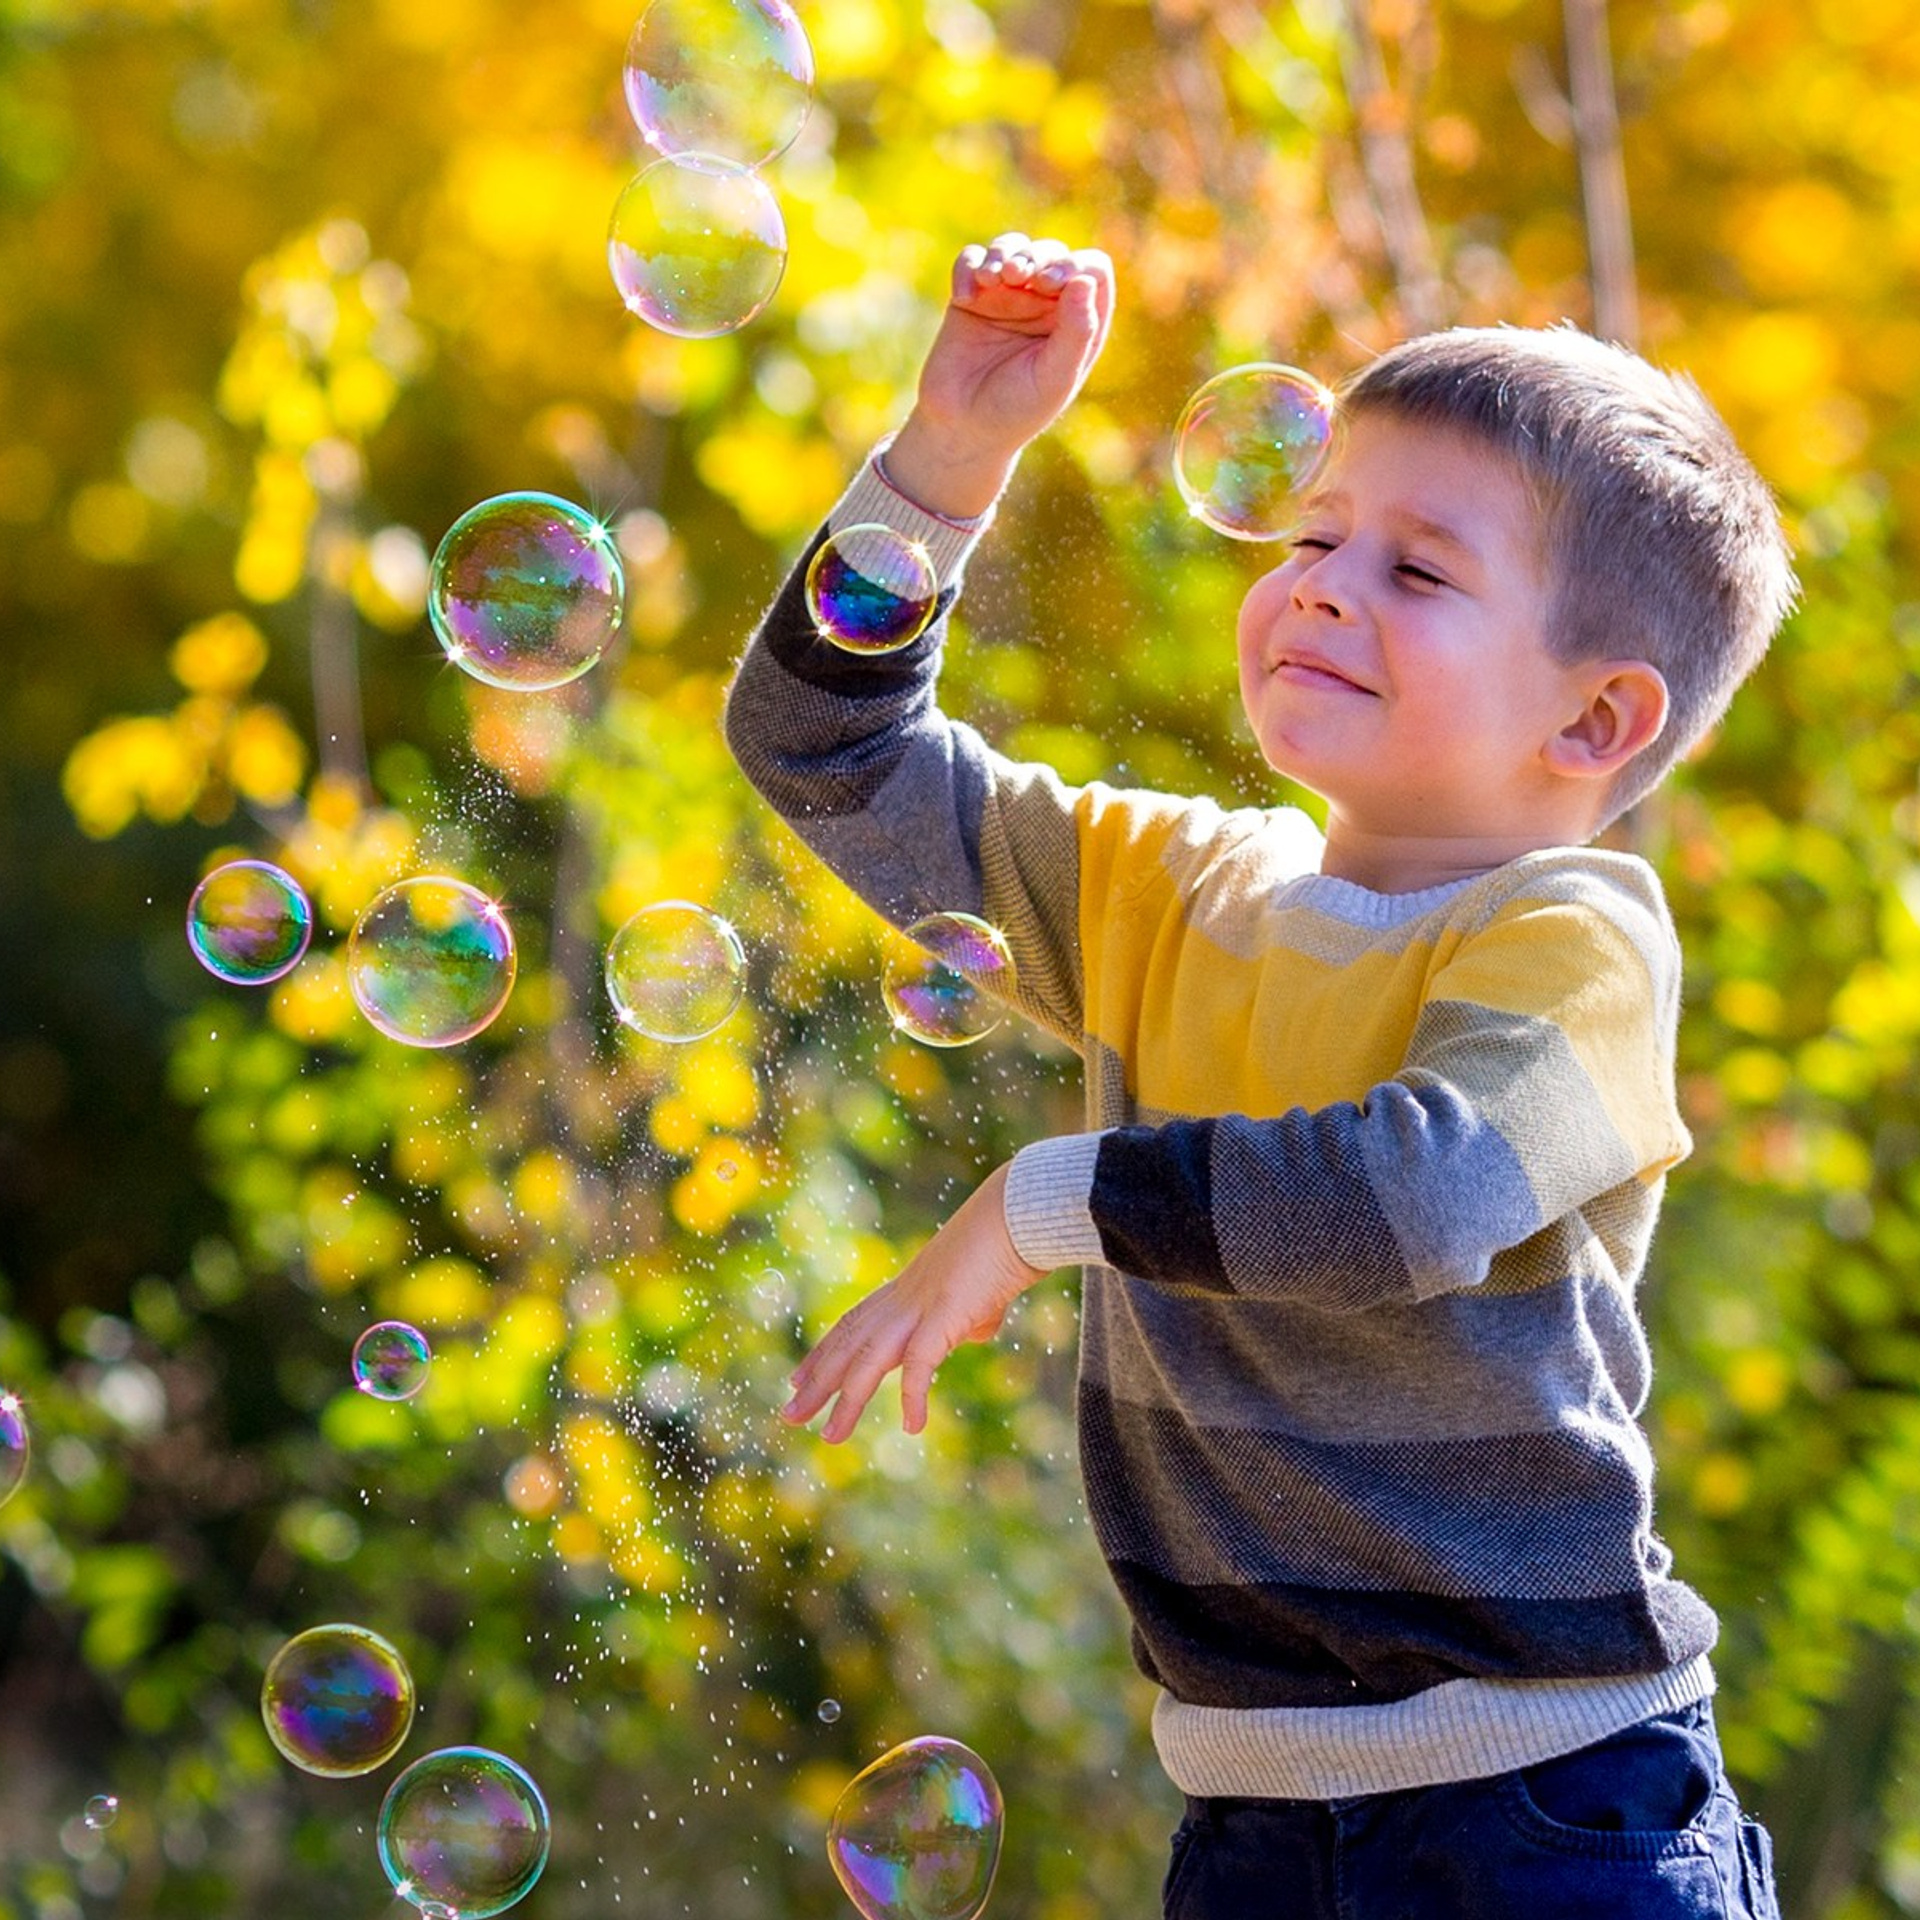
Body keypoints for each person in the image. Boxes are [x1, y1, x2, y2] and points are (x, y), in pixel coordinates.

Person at [723, 230, 1796, 1919]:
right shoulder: (1167, 891)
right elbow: (824, 747)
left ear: (1594, 724)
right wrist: (949, 460)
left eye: (1417, 572)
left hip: (1552, 1814)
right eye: (1313, 536)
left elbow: (1412, 1195)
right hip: (1252, 1822)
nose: (1320, 583)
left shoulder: (1578, 940)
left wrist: (1041, 1202)